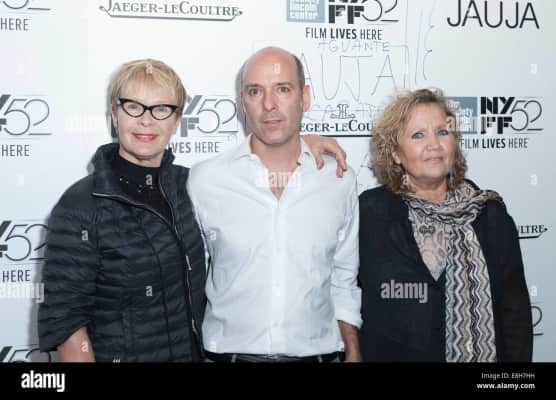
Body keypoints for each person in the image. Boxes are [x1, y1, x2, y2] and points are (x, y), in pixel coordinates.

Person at [38, 58, 349, 362]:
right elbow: (66, 323)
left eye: (161, 109)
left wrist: (302, 142)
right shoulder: (81, 205)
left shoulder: (190, 184)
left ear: (177, 120)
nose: (147, 120)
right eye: (133, 106)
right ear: (114, 113)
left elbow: (270, 152)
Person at [187, 47, 362, 363]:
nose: (269, 104)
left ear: (304, 98)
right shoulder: (205, 180)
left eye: (283, 89)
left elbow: (344, 278)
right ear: (243, 102)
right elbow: (187, 280)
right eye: (255, 91)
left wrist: (353, 350)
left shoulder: (338, 180)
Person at [358, 88, 533, 362]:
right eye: (418, 135)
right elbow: (341, 293)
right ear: (395, 153)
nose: (434, 145)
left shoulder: (490, 215)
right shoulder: (369, 213)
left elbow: (515, 315)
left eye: (442, 132)